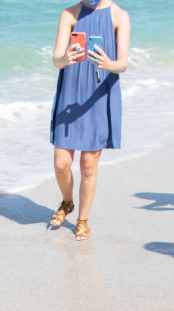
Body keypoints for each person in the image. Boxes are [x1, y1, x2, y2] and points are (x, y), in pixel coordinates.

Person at [48, 0, 130, 241]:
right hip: (70, 94)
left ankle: (82, 219)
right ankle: (67, 202)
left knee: (87, 165)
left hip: (98, 96)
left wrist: (109, 64)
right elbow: (55, 59)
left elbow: (122, 64)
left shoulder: (119, 16)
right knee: (61, 164)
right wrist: (66, 58)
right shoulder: (69, 14)